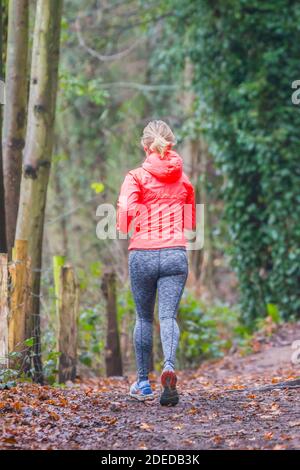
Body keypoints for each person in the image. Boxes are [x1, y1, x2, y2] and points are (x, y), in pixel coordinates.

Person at [116, 120, 196, 406]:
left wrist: (135, 220)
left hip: (143, 254)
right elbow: (189, 223)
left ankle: (142, 383)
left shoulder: (135, 176)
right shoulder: (184, 180)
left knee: (143, 318)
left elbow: (125, 216)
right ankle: (169, 366)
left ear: (144, 145)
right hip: (175, 253)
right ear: (171, 144)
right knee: (167, 317)